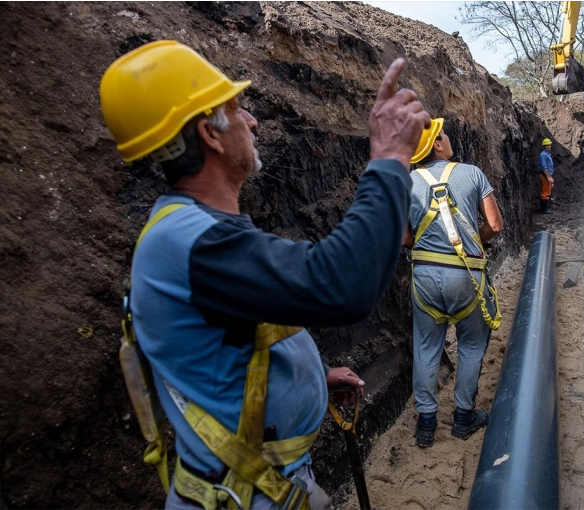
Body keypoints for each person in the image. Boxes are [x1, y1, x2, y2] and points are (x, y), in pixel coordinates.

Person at [99, 40, 430, 510]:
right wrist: (391, 156)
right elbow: (341, 284)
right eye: (236, 108)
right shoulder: (190, 244)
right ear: (209, 135)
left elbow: (235, 341)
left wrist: (314, 377)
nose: (252, 120)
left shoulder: (198, 232)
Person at [401, 118, 503, 448]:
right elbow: (495, 225)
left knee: (427, 346)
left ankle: (427, 425)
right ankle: (462, 419)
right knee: (472, 346)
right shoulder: (472, 173)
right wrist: (476, 241)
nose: (447, 137)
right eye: (444, 134)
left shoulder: (406, 182)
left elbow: (403, 237)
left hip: (425, 278)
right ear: (438, 145)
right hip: (466, 275)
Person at [539, 138, 555, 214]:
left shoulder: (547, 154)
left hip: (548, 175)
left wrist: (550, 176)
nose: (548, 146)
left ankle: (546, 207)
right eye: (547, 145)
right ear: (544, 146)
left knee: (548, 191)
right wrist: (548, 177)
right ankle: (544, 209)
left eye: (549, 145)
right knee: (545, 192)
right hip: (545, 175)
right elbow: (543, 166)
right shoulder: (543, 155)